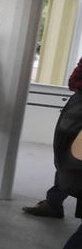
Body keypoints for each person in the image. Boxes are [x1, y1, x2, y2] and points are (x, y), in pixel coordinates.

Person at [24, 55, 82, 219]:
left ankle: (54, 202)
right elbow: (74, 81)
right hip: (76, 116)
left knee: (70, 162)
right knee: (68, 160)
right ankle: (54, 202)